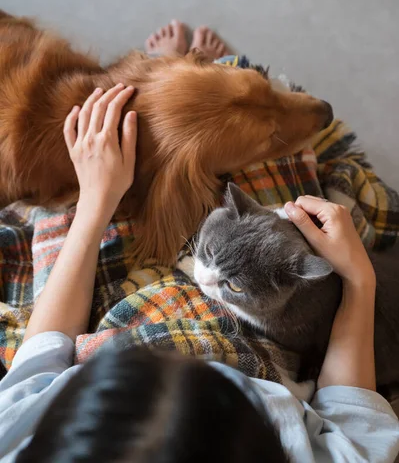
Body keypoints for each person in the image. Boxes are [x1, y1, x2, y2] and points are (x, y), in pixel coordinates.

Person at [0, 25, 398, 463]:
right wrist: (358, 279)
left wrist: (95, 200)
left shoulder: (14, 436)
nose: (317, 111)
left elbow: (36, 361)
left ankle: (172, 77)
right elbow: (357, 426)